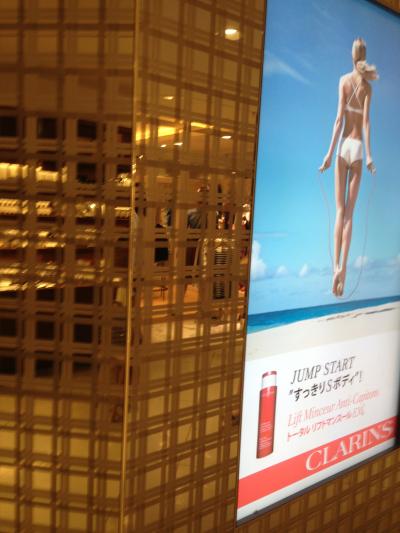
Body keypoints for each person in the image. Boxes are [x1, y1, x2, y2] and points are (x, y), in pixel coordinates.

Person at [319, 38, 378, 297]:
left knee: (339, 211)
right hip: (358, 149)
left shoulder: (343, 81)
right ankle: (344, 267)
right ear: (364, 56)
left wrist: (328, 154)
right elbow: (366, 123)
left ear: (351, 56)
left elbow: (338, 121)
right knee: (350, 214)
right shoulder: (367, 88)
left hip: (343, 147)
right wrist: (369, 156)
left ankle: (335, 267)